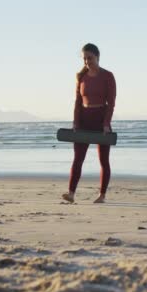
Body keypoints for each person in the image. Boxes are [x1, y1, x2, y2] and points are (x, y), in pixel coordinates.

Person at [62, 43, 116, 204]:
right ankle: (71, 193)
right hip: (84, 119)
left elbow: (111, 103)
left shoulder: (108, 76)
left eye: (90, 58)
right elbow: (77, 102)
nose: (87, 61)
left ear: (98, 57)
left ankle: (102, 195)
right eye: (85, 58)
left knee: (103, 160)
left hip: (100, 119)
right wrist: (75, 122)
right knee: (78, 158)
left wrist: (106, 123)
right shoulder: (81, 77)